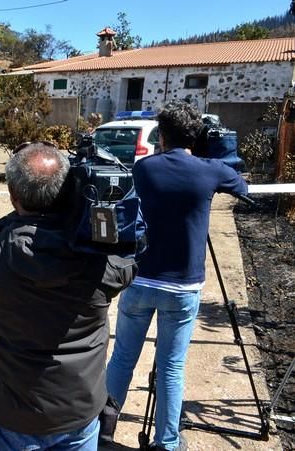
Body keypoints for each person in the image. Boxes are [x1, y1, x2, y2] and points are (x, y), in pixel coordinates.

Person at [0, 143, 137, 451]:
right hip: (77, 408)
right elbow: (133, 251)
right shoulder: (99, 261)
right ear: (69, 192)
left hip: (15, 410)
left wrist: (24, 215)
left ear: (13, 197)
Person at [105, 101, 248, 451]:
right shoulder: (209, 170)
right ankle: (166, 442)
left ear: (161, 136)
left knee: (123, 356)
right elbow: (241, 185)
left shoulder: (145, 168)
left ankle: (102, 431)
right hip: (183, 286)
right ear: (196, 136)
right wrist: (211, 155)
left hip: (141, 279)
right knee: (171, 367)